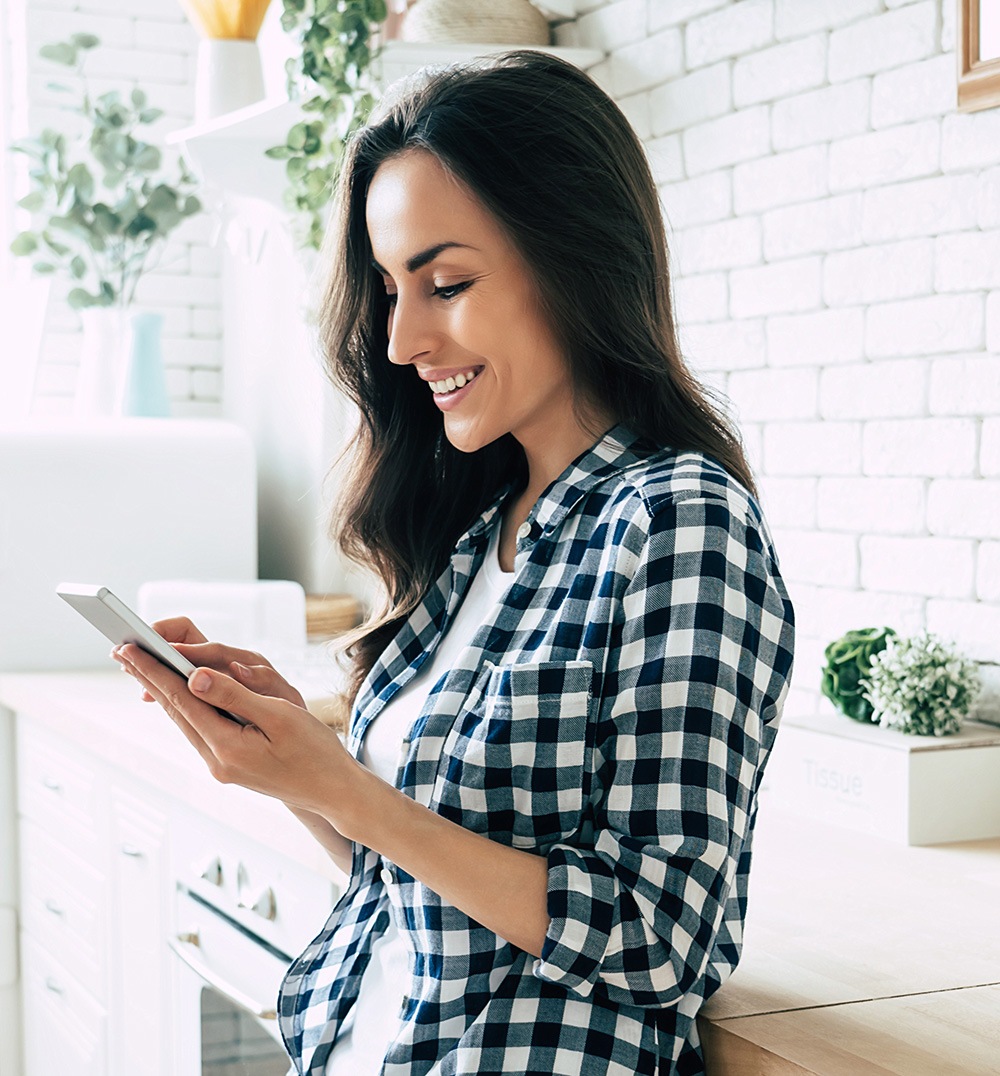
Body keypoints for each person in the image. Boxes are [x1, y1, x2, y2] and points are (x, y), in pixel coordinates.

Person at [114, 49, 795, 1076]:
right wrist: (299, 764)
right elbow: (422, 892)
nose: (400, 339)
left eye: (445, 283)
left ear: (575, 257)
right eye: (390, 289)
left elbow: (662, 939)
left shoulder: (679, 525)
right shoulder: (482, 531)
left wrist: (348, 790)